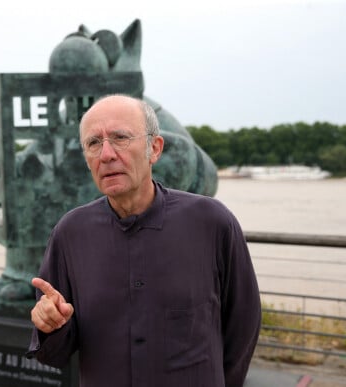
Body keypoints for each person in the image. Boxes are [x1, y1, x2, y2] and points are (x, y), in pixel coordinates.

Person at [27, 95, 261, 387]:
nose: (107, 154)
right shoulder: (71, 233)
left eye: (120, 138)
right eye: (93, 143)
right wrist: (52, 325)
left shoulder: (211, 222)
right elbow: (54, 354)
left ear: (155, 148)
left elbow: (243, 324)